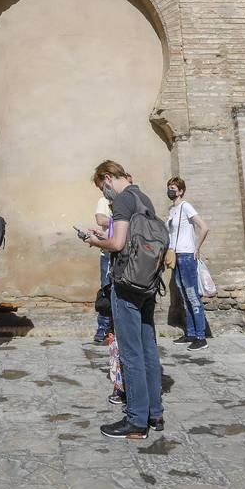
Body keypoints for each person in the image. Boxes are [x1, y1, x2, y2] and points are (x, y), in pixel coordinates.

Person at [84, 160, 164, 439]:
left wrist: (95, 241)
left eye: (101, 186)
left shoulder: (121, 202)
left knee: (130, 351)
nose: (104, 192)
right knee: (147, 348)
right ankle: (155, 413)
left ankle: (136, 421)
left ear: (107, 178)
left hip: (127, 282)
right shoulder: (144, 199)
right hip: (148, 282)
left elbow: (117, 244)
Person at [166, 177, 210, 349]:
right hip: (175, 256)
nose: (170, 190)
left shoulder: (186, 206)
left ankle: (201, 336)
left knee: (193, 296)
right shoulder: (172, 209)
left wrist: (196, 248)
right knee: (184, 296)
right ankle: (190, 333)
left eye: (173, 187)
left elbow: (204, 227)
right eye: (169, 187)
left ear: (181, 191)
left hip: (186, 255)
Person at [93, 196, 113, 344]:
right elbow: (100, 220)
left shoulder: (129, 200)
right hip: (107, 253)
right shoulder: (104, 200)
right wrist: (120, 222)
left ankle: (116, 328)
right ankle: (103, 326)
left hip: (124, 255)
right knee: (106, 289)